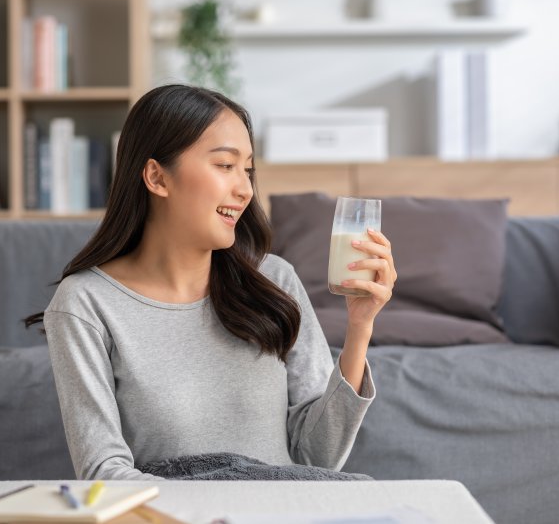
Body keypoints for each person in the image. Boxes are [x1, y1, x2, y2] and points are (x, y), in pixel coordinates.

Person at [24, 84, 397, 480]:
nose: (245, 189)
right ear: (157, 177)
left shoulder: (274, 280)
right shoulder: (86, 303)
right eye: (225, 165)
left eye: (248, 169)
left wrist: (360, 328)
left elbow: (317, 457)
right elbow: (105, 472)